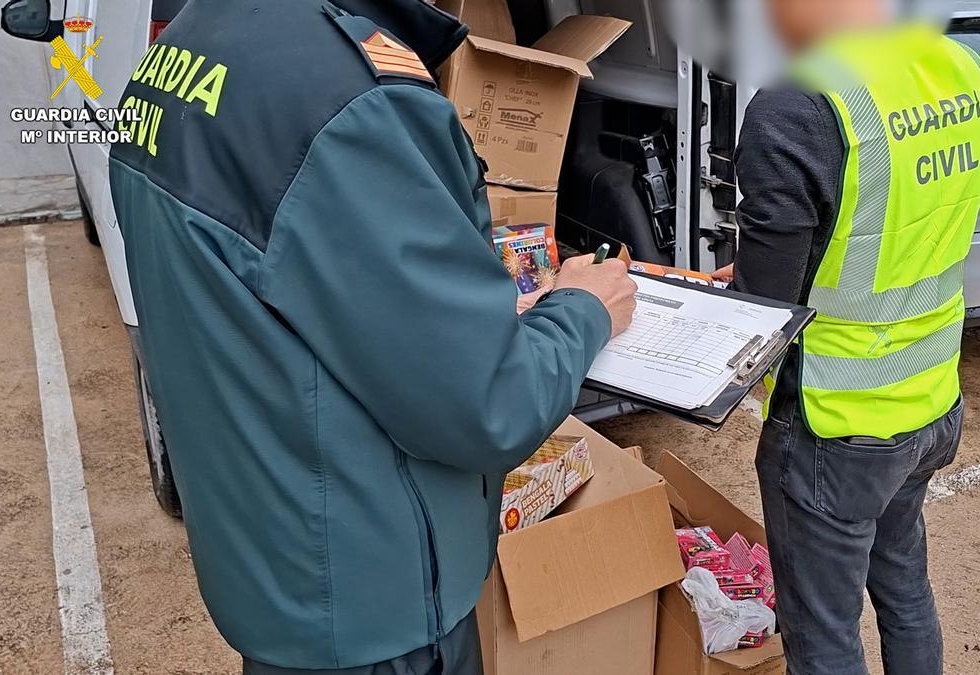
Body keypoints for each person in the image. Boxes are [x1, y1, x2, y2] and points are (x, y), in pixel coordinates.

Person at [108, 0, 636, 672]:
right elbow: (487, 404)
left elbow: (285, 292)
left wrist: (458, 301)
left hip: (276, 569)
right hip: (371, 601)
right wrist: (584, 307)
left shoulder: (188, 41)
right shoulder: (350, 98)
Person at [717, 1, 980, 673]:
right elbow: (894, 223)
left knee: (822, 636)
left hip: (838, 425)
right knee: (904, 591)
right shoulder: (959, 66)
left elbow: (766, 309)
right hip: (930, 396)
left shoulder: (798, 105)